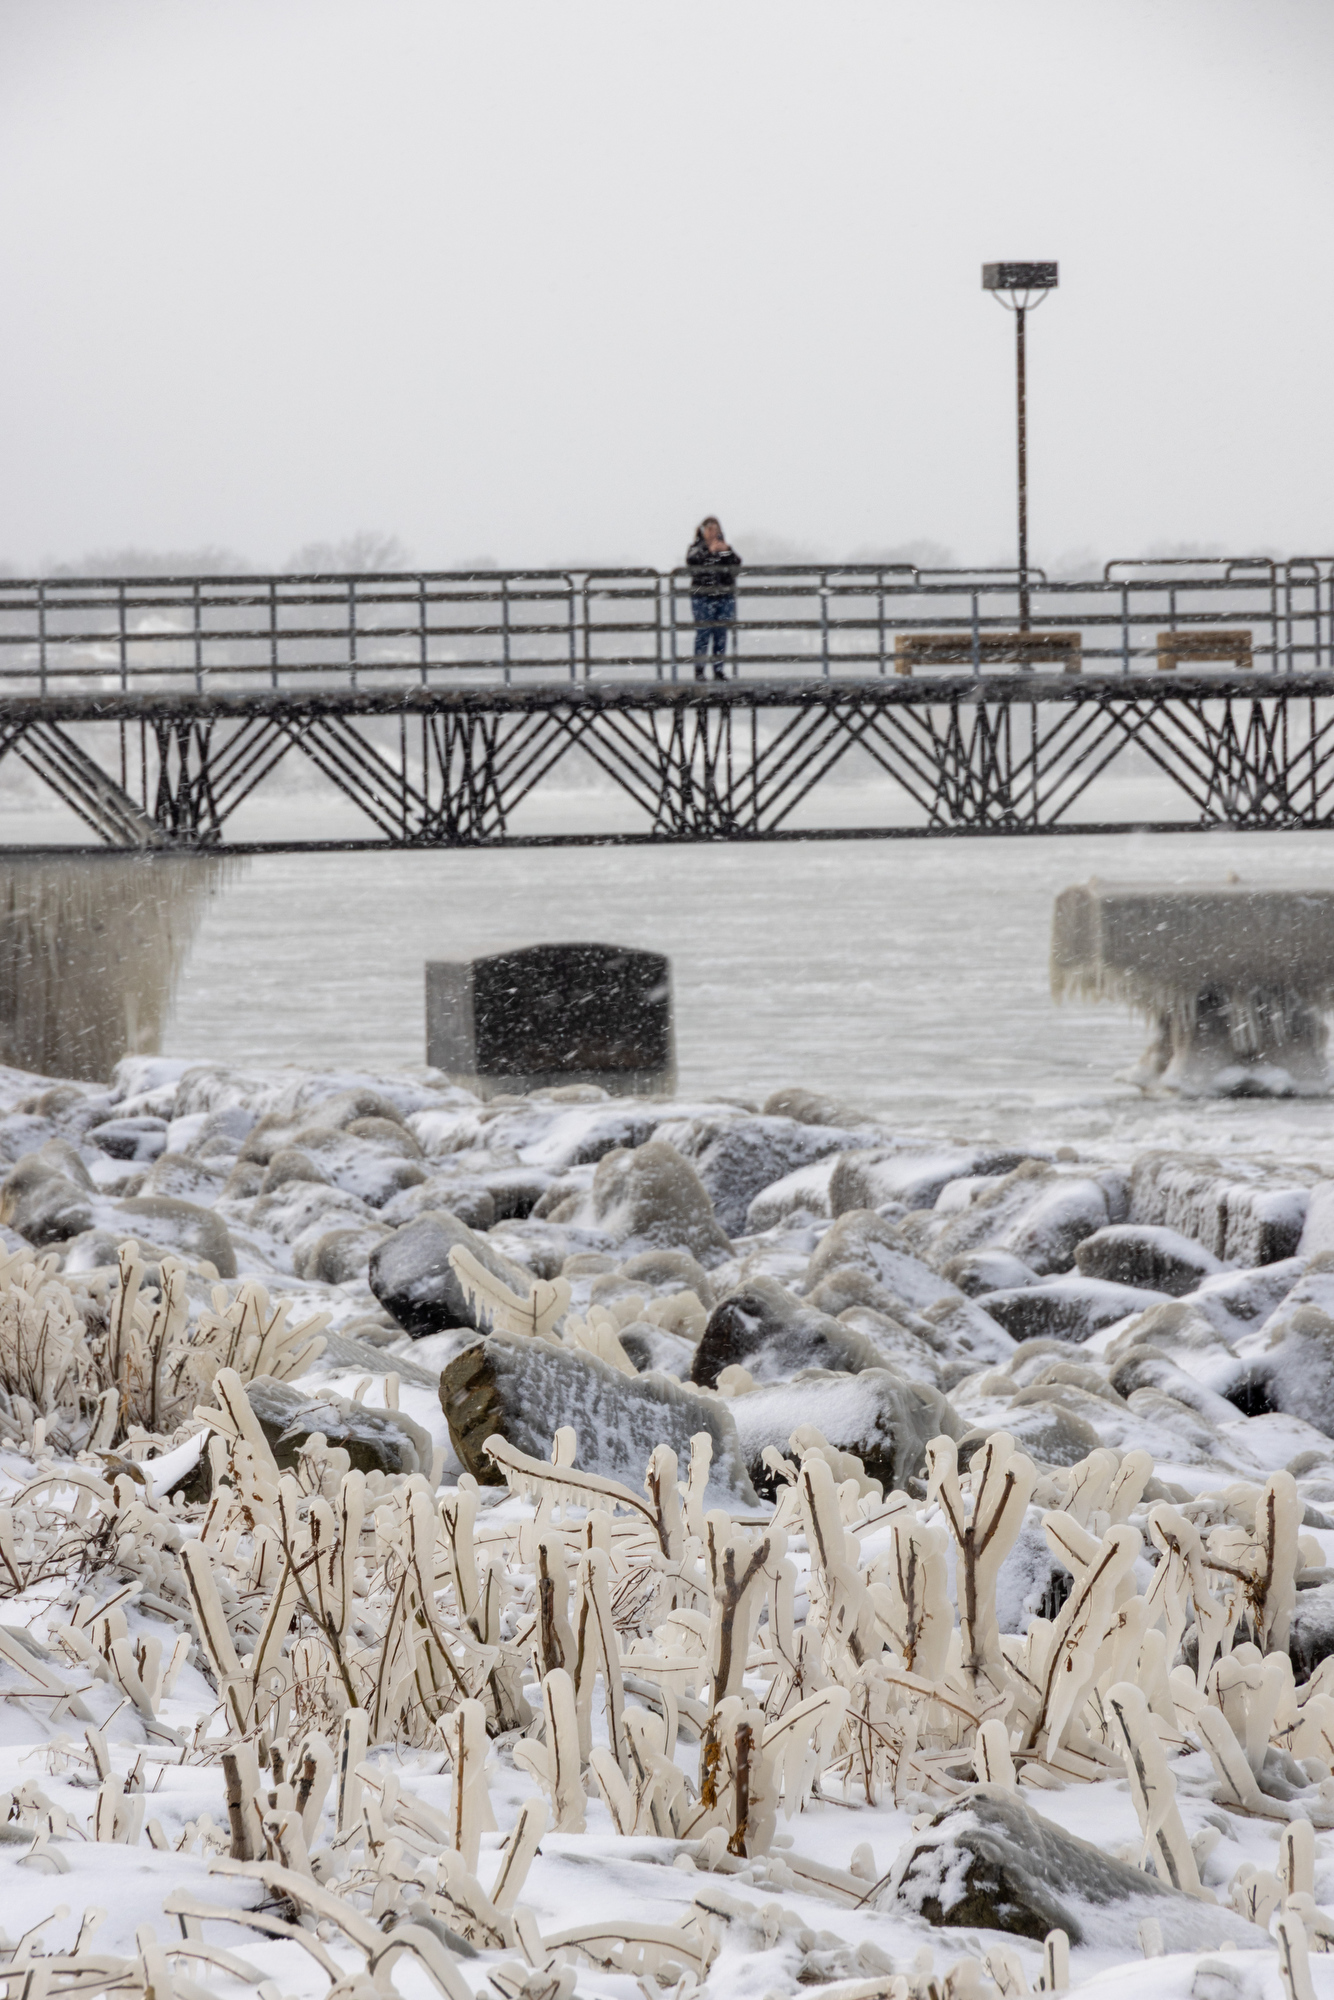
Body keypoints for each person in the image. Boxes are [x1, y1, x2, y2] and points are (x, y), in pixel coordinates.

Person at [686, 518, 741, 679]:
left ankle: (718, 670)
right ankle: (700, 671)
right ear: (702, 531)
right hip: (702, 597)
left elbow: (735, 566)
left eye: (715, 529)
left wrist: (727, 550)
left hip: (723, 596)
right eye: (709, 529)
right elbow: (693, 564)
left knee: (720, 634)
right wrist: (709, 552)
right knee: (703, 633)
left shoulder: (724, 548)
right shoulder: (696, 549)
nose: (712, 533)